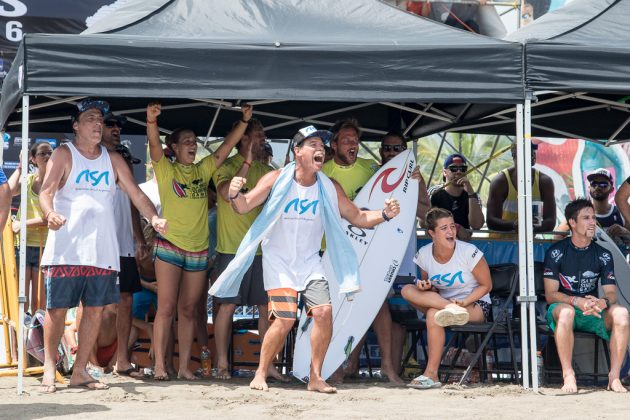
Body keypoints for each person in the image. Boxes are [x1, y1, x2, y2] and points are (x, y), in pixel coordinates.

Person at [211, 125, 400, 393]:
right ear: (297, 152)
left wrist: (385, 214)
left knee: (323, 313)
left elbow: (358, 217)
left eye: (322, 145)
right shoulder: (277, 179)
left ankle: (315, 377)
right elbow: (243, 206)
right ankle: (261, 372)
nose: (320, 148)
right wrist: (233, 193)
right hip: (278, 260)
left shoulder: (329, 186)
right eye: (313, 144)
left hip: (310, 262)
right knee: (285, 320)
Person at [38, 98, 167, 393]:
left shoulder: (114, 159)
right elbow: (46, 192)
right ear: (76, 126)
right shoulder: (64, 153)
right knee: (57, 309)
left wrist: (154, 218)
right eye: (91, 119)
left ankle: (81, 370)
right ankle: (49, 366)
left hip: (102, 251)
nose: (98, 124)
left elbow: (136, 194)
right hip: (66, 250)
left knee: (95, 309)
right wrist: (50, 213)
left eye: (101, 120)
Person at [146, 102, 245, 380]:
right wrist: (151, 121)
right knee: (166, 308)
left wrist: (244, 122)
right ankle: (159, 366)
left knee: (189, 310)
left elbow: (225, 148)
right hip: (169, 246)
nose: (193, 145)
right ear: (174, 147)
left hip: (199, 250)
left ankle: (183, 367)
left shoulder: (203, 170)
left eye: (195, 141)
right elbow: (153, 146)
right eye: (187, 142)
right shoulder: (166, 169)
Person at [342, 132, 430, 384]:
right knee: (362, 310)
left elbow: (427, 215)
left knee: (399, 316)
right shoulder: (373, 176)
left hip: (401, 258)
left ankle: (392, 369)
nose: (391, 153)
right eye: (387, 149)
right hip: (372, 256)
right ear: (381, 152)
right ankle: (351, 366)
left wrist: (416, 186)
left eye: (397, 149)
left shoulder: (413, 179)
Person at [211, 118, 276, 380]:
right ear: (244, 139)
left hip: (261, 251)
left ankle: (266, 365)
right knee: (226, 307)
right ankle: (223, 365)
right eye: (258, 136)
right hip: (231, 250)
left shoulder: (267, 170)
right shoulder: (225, 165)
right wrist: (246, 162)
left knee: (265, 308)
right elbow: (227, 193)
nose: (263, 140)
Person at [543, 198, 629, 393]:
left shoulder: (603, 254)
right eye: (586, 218)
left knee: (622, 313)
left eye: (593, 218)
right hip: (564, 308)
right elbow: (550, 295)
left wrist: (602, 302)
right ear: (572, 223)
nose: (593, 222)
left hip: (592, 311)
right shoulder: (556, 252)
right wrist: (576, 301)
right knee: (566, 313)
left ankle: (614, 377)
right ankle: (569, 375)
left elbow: (611, 294)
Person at [401, 207, 492, 389]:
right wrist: (427, 287)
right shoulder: (424, 255)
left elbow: (487, 286)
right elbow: (431, 289)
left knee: (433, 314)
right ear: (432, 233)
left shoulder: (468, 252)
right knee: (407, 290)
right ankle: (450, 309)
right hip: (444, 304)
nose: (451, 231)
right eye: (444, 228)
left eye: (452, 226)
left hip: (473, 304)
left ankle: (431, 374)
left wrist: (464, 302)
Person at [100, 111, 147, 378]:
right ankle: (90, 358)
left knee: (126, 300)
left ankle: (121, 361)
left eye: (119, 126)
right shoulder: (89, 158)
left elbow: (133, 203)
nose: (116, 129)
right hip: (96, 245)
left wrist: (139, 239)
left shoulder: (123, 161)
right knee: (94, 304)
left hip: (123, 244)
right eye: (110, 124)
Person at [7, 141, 53, 312]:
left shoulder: (55, 185)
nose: (48, 156)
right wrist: (20, 167)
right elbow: (8, 191)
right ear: (33, 159)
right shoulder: (28, 180)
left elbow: (51, 218)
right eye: (42, 153)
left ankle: (38, 338)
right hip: (23, 246)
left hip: (45, 247)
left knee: (39, 304)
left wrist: (22, 224)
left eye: (50, 153)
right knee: (21, 301)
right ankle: (21, 338)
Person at [486, 143, 556, 233]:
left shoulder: (544, 182)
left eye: (533, 153)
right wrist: (514, 225)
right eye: (527, 154)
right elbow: (491, 221)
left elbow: (551, 221)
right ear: (514, 156)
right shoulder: (500, 182)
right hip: (502, 243)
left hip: (530, 243)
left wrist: (531, 228)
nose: (533, 157)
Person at [429, 153, 484, 240]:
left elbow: (477, 225)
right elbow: (427, 222)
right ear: (444, 172)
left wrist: (470, 192)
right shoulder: (435, 192)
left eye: (463, 168)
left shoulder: (472, 195)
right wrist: (456, 227)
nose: (459, 172)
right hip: (439, 242)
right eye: (453, 168)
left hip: (463, 245)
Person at [322, 118, 379, 201]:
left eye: (355, 140)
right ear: (334, 145)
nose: (353, 145)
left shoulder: (371, 165)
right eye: (346, 140)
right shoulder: (322, 173)